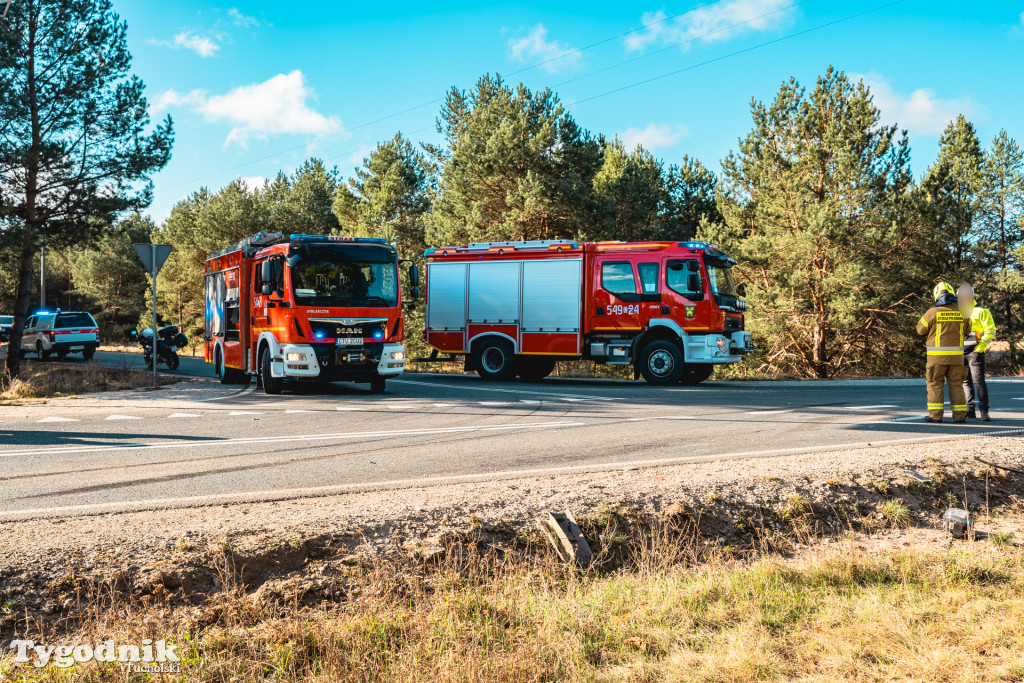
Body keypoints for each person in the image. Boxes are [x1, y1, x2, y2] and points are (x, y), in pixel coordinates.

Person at [915, 282, 970, 423]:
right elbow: (968, 331)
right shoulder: (962, 312)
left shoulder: (932, 313)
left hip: (937, 359)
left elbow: (920, 330)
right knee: (957, 385)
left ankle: (935, 416)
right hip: (957, 358)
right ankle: (959, 416)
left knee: (935, 385)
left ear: (936, 295)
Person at [956, 283, 997, 421]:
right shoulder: (956, 312)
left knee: (979, 382)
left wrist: (980, 348)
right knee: (965, 382)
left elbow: (990, 331)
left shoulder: (981, 311)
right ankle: (970, 410)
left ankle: (984, 411)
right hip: (961, 352)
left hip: (975, 352)